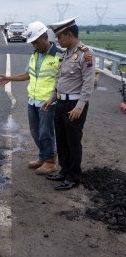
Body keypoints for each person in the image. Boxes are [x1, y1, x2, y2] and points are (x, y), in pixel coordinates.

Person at [0, 21, 62, 175]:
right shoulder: (35, 55)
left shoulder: (59, 55)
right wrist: (10, 78)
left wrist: (55, 98)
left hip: (48, 102)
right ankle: (43, 156)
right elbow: (28, 74)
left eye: (36, 42)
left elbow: (63, 80)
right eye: (32, 43)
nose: (34, 45)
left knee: (46, 132)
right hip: (32, 100)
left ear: (45, 38)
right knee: (35, 131)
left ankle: (50, 161)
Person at [42, 17, 96, 190]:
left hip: (74, 106)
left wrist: (80, 106)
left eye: (59, 37)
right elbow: (59, 79)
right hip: (60, 103)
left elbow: (88, 83)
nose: (57, 40)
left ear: (70, 34)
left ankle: (74, 176)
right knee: (62, 139)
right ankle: (64, 171)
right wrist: (51, 98)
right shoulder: (64, 54)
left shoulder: (85, 54)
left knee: (73, 141)